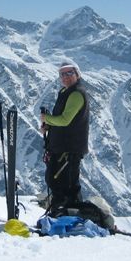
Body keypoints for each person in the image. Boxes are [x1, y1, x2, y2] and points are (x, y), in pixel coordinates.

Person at [40, 62, 90, 212]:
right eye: (63, 74)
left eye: (69, 73)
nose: (66, 77)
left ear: (77, 74)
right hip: (62, 147)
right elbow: (63, 119)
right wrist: (49, 125)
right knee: (57, 180)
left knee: (64, 184)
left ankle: (67, 213)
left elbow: (65, 120)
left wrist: (47, 119)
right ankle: (64, 213)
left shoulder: (76, 94)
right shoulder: (66, 92)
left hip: (69, 148)